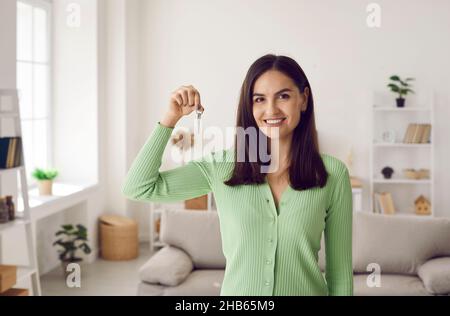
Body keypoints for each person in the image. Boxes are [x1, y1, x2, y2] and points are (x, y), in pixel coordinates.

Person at [122, 54, 353, 296]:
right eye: (259, 99)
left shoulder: (332, 175)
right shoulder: (222, 166)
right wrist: (169, 119)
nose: (271, 109)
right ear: (249, 105)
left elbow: (340, 276)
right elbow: (138, 187)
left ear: (304, 99)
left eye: (283, 96)